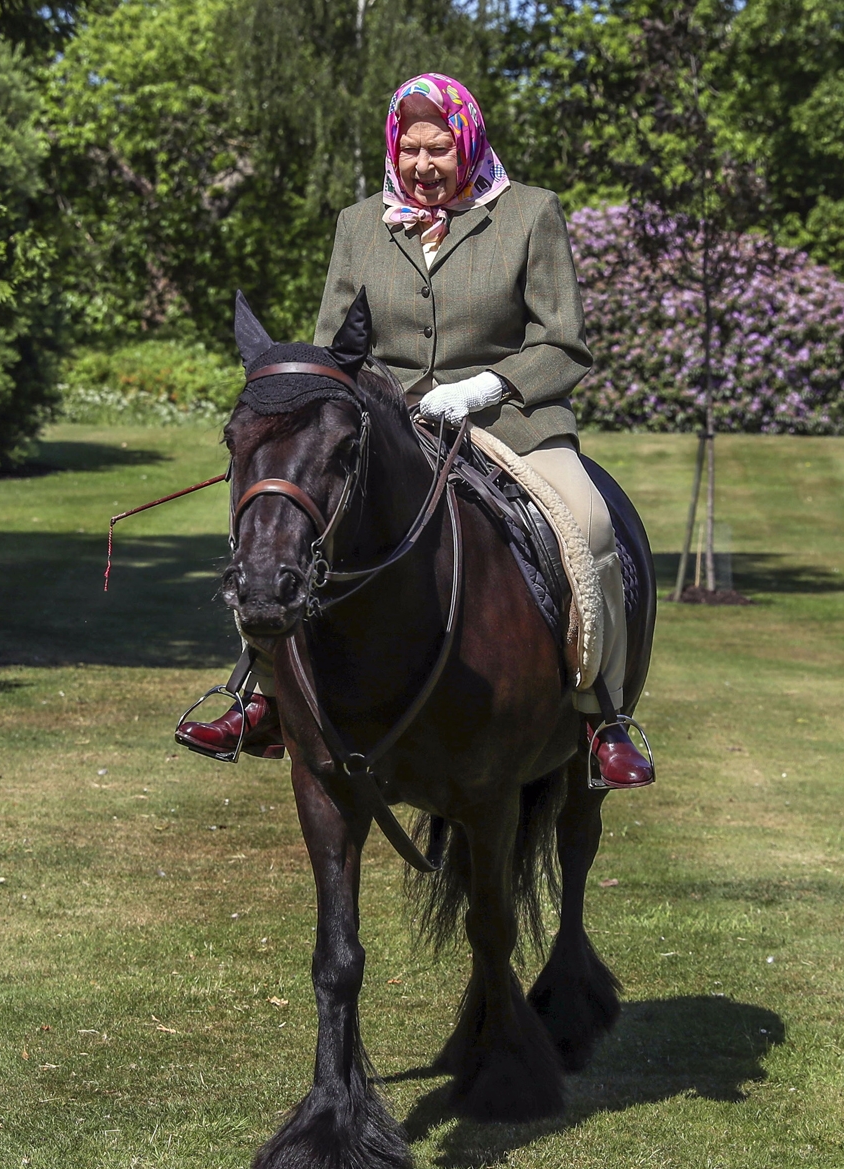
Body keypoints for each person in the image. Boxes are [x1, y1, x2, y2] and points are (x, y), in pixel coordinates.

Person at [177, 72, 652, 787]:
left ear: (468, 142)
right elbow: (335, 348)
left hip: (511, 420)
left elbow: (564, 343)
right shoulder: (358, 224)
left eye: (440, 149)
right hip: (388, 424)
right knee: (286, 521)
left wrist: (484, 388)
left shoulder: (530, 214)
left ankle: (600, 713)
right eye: (411, 151)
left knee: (588, 523)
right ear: (393, 150)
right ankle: (264, 695)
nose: (425, 166)